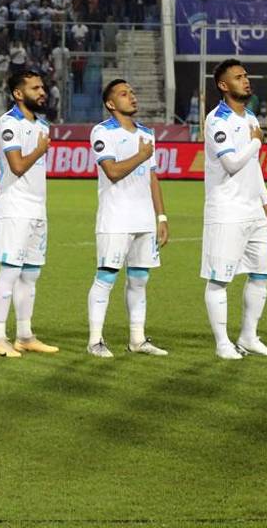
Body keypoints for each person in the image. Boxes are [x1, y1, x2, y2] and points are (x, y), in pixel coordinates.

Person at [86, 80, 170, 358]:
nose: (132, 97)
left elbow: (152, 177)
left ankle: (137, 339)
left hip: (144, 219)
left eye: (132, 92)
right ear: (111, 104)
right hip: (116, 218)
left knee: (139, 280)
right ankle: (95, 341)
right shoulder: (102, 132)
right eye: (124, 94)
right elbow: (111, 171)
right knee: (106, 277)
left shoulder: (146, 133)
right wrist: (141, 154)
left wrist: (161, 216)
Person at [201, 59, 267, 360]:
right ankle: (222, 343)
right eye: (238, 77)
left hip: (253, 210)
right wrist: (257, 143)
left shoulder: (250, 118)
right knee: (220, 279)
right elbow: (231, 163)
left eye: (246, 75)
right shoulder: (216, 121)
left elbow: (253, 165)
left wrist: (265, 198)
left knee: (261, 273)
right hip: (226, 210)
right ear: (223, 85)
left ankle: (248, 336)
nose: (246, 80)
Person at [0, 70, 57, 358]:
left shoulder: (41, 124)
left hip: (37, 207)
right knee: (10, 271)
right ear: (18, 93)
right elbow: (16, 166)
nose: (42, 92)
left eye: (42, 87)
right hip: (15, 208)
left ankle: (25, 335)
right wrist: (40, 149)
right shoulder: (9, 123)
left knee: (30, 274)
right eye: (35, 88)